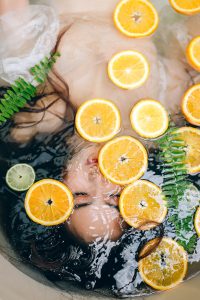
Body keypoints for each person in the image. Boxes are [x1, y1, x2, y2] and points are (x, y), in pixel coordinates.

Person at [0, 0, 199, 246]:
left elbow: (11, 12)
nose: (99, 179)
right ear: (138, 190)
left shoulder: (40, 87)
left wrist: (27, 125)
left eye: (81, 195)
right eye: (115, 196)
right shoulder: (164, 107)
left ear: (57, 182)